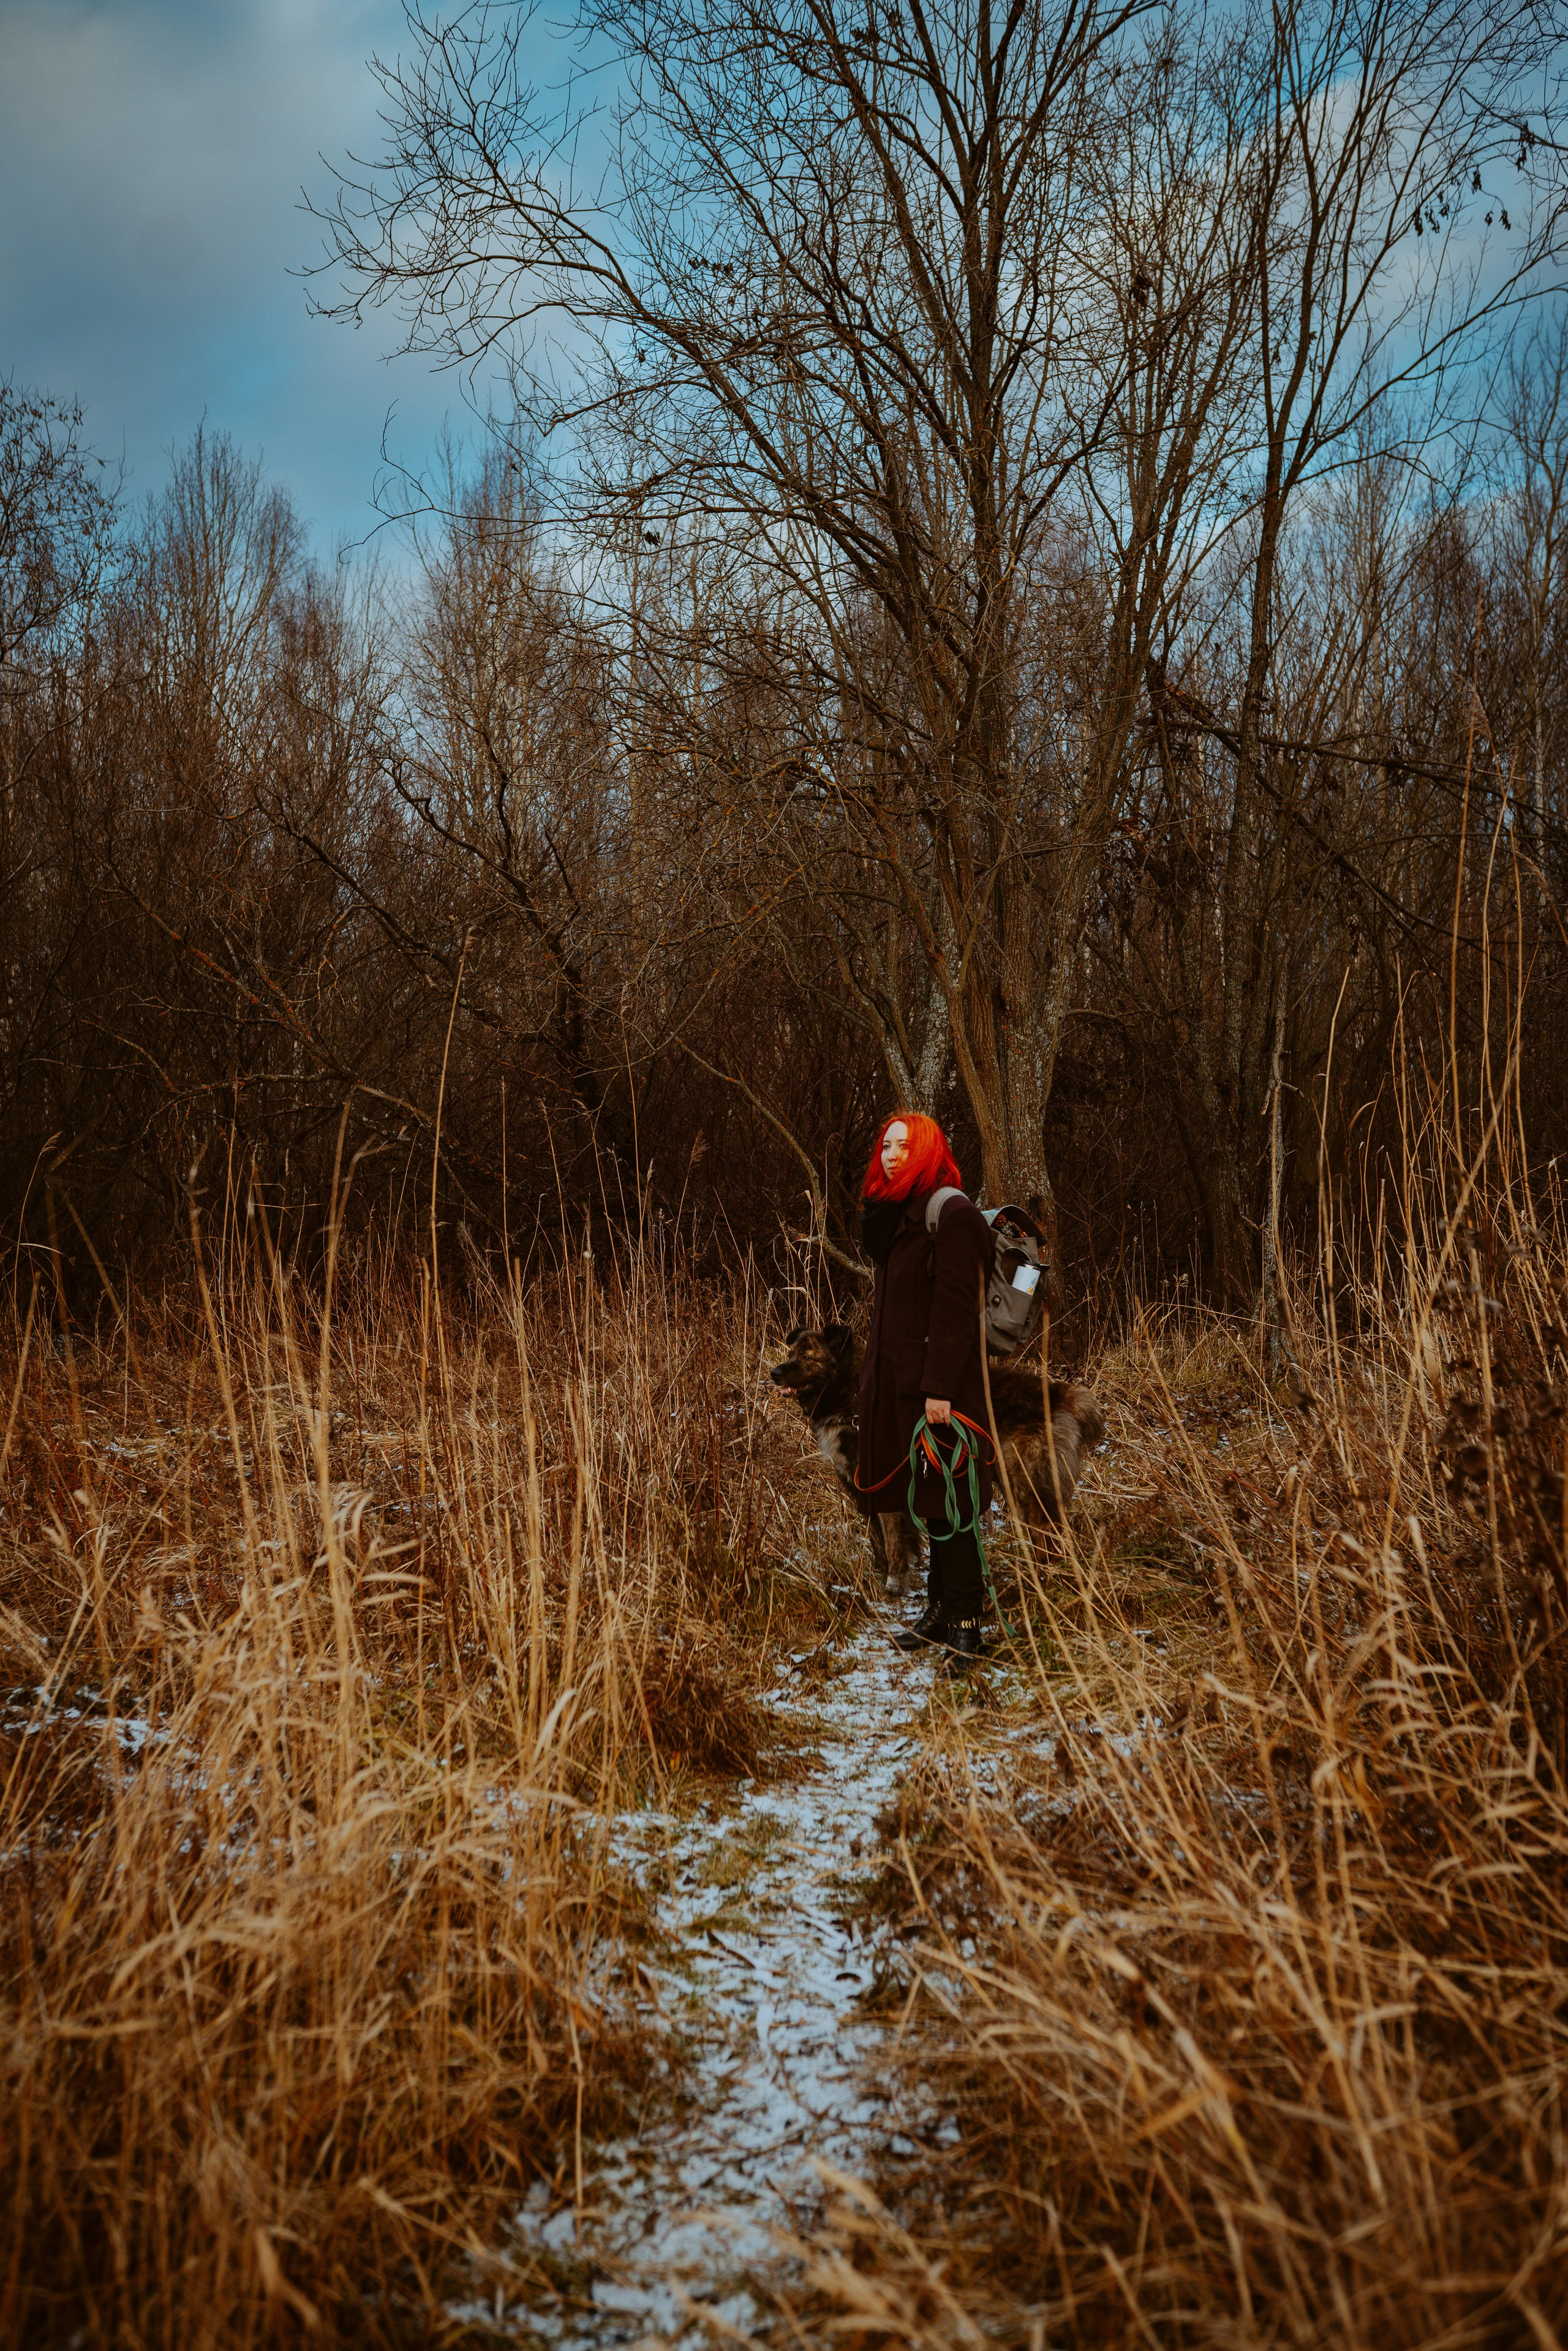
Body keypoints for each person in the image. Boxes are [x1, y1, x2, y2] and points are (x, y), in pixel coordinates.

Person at [853, 1111, 995, 1664]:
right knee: (933, 1507)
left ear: (928, 1152)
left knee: (953, 1504)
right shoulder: (897, 1216)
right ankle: (939, 1610)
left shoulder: (952, 1212)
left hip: (941, 1393)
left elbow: (958, 1311)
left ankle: (967, 1621)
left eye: (903, 1146)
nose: (890, 1155)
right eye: (885, 1145)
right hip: (900, 1388)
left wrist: (939, 1390)